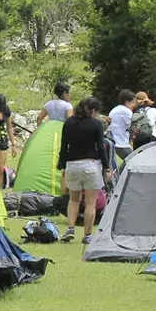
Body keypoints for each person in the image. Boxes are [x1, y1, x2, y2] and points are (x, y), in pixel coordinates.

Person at [56, 97, 112, 244]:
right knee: (90, 203)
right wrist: (106, 168)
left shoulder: (69, 123)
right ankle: (87, 235)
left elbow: (64, 146)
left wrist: (61, 164)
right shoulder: (96, 124)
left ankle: (70, 228)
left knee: (74, 200)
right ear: (93, 110)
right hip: (90, 165)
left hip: (72, 165)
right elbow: (100, 148)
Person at [107, 90, 137, 159]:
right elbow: (136, 127)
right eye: (133, 102)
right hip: (121, 144)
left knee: (126, 165)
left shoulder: (115, 109)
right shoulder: (126, 111)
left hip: (114, 142)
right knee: (134, 162)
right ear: (127, 102)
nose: (134, 106)